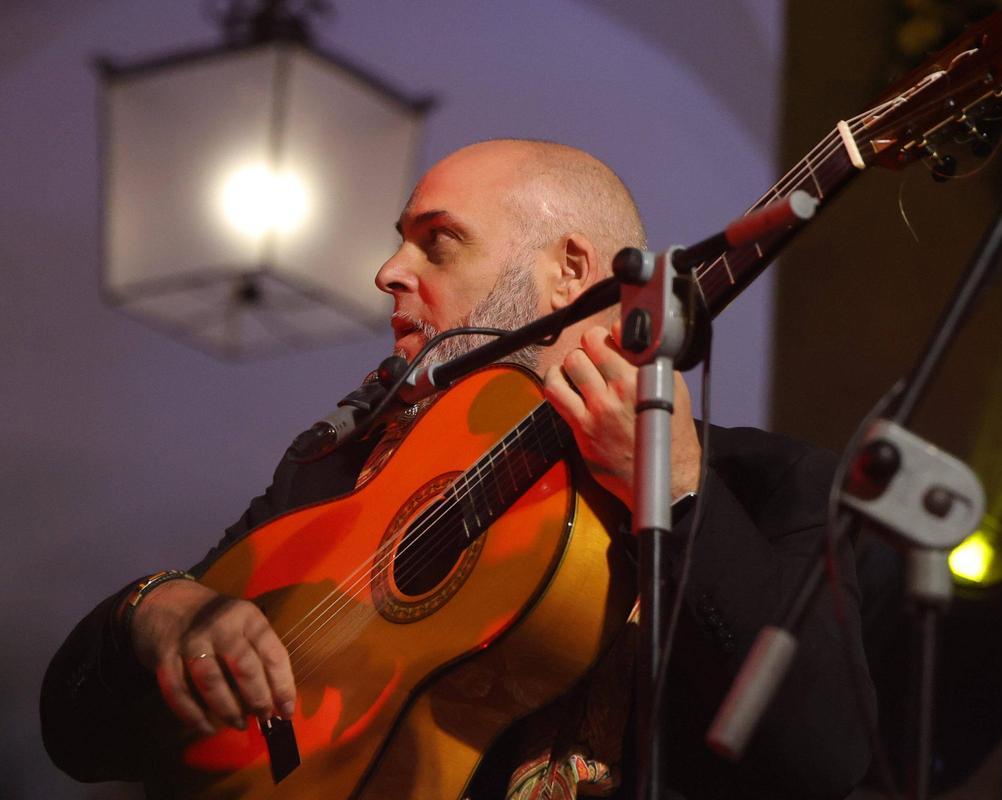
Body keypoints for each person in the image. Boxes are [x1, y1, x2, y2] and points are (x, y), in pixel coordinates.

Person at [41, 139, 874, 799]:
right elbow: (79, 736)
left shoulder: (772, 486)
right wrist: (159, 613)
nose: (388, 273)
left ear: (572, 273)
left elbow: (822, 758)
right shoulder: (345, 473)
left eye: (436, 242)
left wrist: (682, 490)